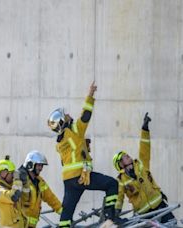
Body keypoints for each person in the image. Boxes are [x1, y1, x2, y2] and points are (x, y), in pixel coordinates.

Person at [47, 81, 126, 227]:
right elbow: (85, 115)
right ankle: (109, 217)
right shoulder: (75, 130)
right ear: (63, 121)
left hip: (69, 181)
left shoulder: (59, 142)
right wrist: (90, 94)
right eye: (66, 115)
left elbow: (71, 156)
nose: (69, 115)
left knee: (66, 214)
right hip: (82, 176)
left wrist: (83, 147)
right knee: (112, 184)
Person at [112, 113, 175, 223]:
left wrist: (145, 129)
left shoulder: (141, 165)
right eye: (124, 157)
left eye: (127, 155)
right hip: (144, 213)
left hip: (159, 204)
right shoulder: (121, 181)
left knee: (172, 225)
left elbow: (145, 148)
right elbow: (119, 197)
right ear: (120, 164)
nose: (127, 156)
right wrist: (116, 213)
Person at [18, 150, 63, 227]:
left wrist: (64, 213)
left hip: (31, 225)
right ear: (30, 164)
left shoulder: (40, 182)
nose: (41, 168)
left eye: (42, 166)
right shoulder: (19, 179)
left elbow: (51, 198)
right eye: (39, 165)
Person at [0, 155, 29, 227]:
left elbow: (26, 199)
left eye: (13, 173)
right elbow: (13, 197)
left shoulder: (13, 186)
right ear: (3, 173)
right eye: (11, 173)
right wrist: (17, 179)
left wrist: (25, 183)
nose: (13, 176)